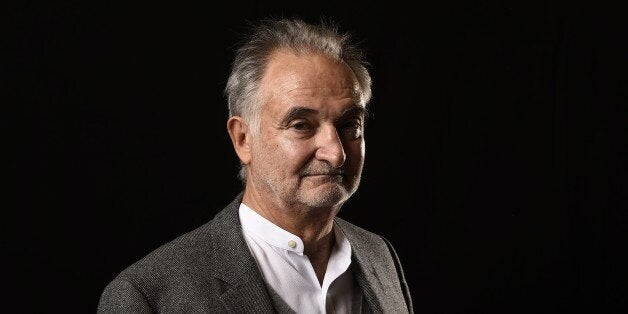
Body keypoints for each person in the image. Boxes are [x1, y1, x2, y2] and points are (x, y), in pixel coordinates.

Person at [97, 17, 413, 313]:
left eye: (349, 125)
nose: (336, 153)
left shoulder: (380, 256)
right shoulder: (148, 296)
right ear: (243, 139)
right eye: (301, 125)